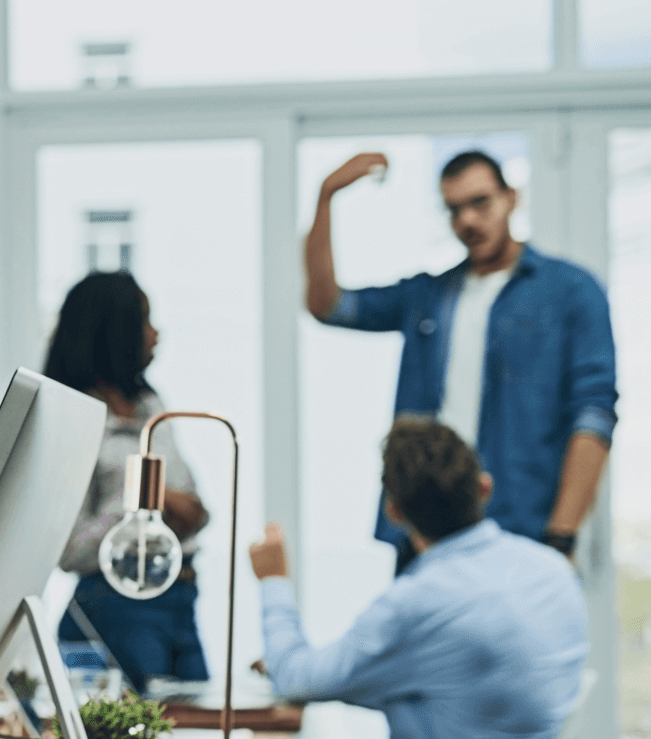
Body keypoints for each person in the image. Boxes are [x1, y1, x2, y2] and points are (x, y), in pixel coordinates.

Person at [304, 149, 616, 570]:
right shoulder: (428, 296)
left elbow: (593, 415)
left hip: (522, 531)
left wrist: (562, 536)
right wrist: (326, 196)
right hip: (425, 529)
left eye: (479, 202)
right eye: (453, 210)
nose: (467, 220)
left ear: (511, 197)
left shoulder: (571, 292)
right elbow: (329, 305)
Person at [249, 419, 586, 738]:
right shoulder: (555, 572)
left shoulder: (414, 605)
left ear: (394, 512)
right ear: (484, 488)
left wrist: (273, 580)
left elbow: (295, 678)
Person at [45, 272, 211, 690]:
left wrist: (166, 502)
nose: (156, 334)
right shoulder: (72, 420)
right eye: (144, 322)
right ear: (113, 331)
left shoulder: (150, 406)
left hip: (180, 597)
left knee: (200, 721)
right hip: (116, 609)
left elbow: (191, 507)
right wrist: (142, 506)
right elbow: (67, 550)